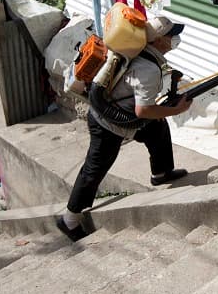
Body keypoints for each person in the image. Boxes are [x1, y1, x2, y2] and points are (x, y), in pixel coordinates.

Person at [56, 16, 193, 241]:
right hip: (108, 124)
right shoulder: (147, 69)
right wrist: (176, 110)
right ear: (158, 40)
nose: (174, 40)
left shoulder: (139, 53)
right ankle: (69, 220)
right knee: (95, 168)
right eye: (171, 36)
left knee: (157, 129)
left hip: (116, 111)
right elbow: (143, 111)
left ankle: (161, 172)